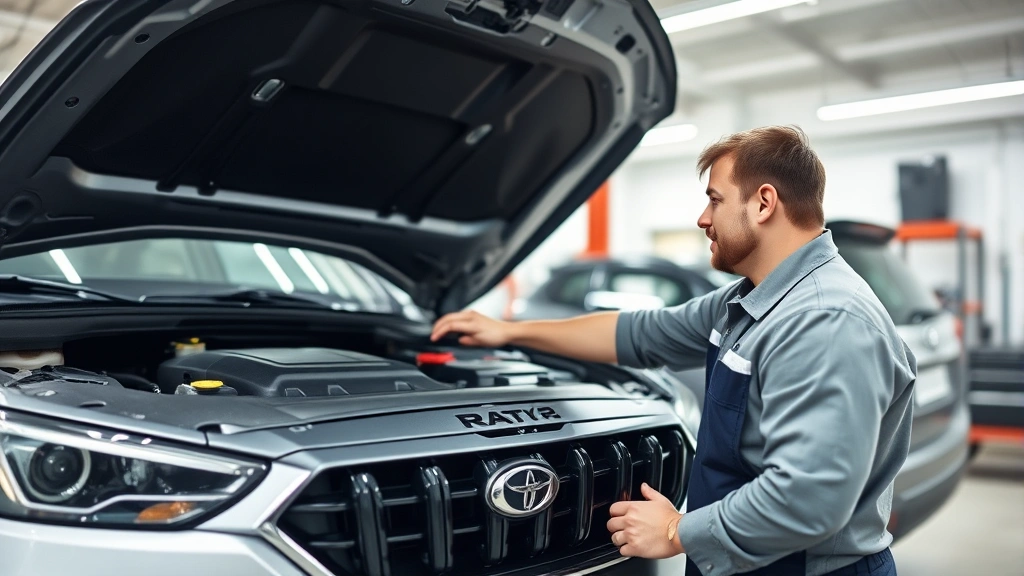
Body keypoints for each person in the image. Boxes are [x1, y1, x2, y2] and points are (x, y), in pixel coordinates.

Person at [430, 125, 914, 576]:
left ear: (764, 203)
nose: (703, 219)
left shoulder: (824, 320)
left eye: (715, 200)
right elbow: (639, 333)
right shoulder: (748, 301)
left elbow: (807, 501)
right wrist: (510, 332)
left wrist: (675, 531)